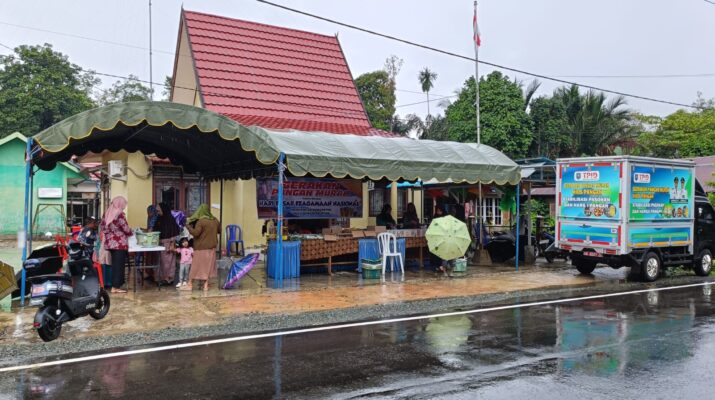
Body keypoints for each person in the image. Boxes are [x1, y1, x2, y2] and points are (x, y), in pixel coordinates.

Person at [182, 204, 220, 291]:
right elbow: (219, 230)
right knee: (207, 267)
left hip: (201, 248)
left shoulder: (201, 221)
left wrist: (188, 226)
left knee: (196, 266)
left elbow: (196, 233)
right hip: (212, 247)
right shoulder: (215, 220)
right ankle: (205, 285)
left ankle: (190, 284)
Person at [100, 196, 132, 294]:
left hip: (110, 243)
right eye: (124, 204)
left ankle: (116, 285)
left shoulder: (107, 213)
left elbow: (102, 227)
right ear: (120, 204)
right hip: (119, 244)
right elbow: (126, 228)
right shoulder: (119, 214)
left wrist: (110, 234)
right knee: (119, 265)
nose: (124, 206)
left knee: (115, 264)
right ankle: (115, 287)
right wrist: (131, 232)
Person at [155, 202, 180, 286]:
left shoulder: (170, 219)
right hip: (160, 244)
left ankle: (168, 278)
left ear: (164, 209)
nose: (158, 212)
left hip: (168, 244)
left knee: (168, 263)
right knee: (161, 262)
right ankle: (161, 278)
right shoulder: (159, 218)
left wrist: (172, 244)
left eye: (159, 210)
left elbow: (174, 232)